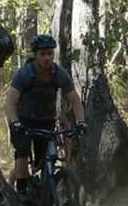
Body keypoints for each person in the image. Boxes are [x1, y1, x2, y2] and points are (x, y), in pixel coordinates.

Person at [5, 34, 87, 195]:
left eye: (50, 53)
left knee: (44, 161)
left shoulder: (59, 73)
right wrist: (15, 122)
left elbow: (75, 100)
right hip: (22, 121)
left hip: (46, 121)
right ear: (35, 55)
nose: (47, 58)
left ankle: (47, 196)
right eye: (42, 54)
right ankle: (21, 194)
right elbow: (10, 102)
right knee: (22, 155)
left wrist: (81, 122)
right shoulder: (25, 74)